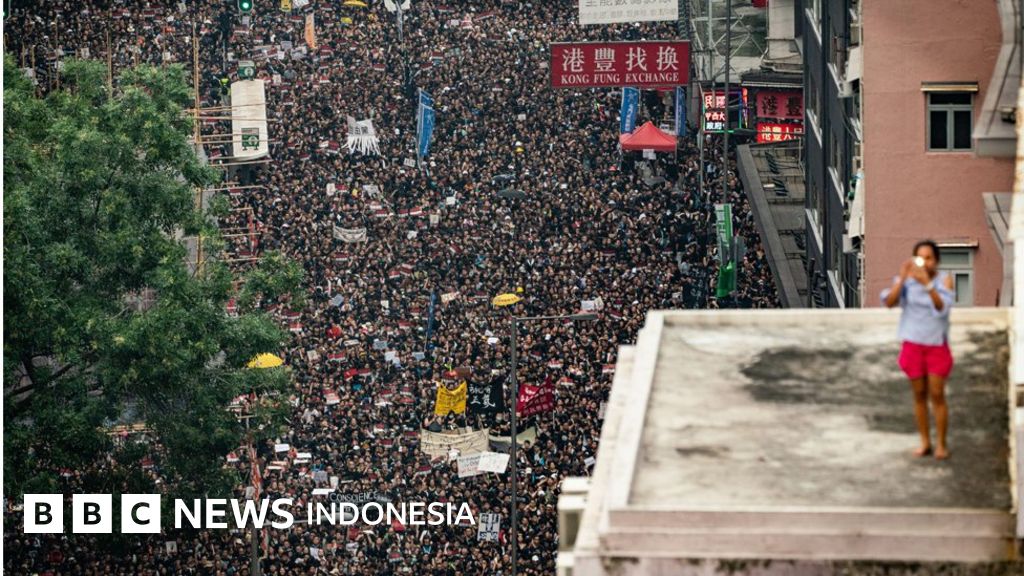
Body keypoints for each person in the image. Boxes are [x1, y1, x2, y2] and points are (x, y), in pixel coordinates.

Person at [881, 240, 955, 460]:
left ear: (937, 260)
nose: (925, 262)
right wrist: (903, 278)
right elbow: (890, 302)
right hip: (913, 343)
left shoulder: (944, 280)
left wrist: (928, 285)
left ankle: (941, 444)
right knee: (919, 394)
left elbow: (942, 308)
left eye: (929, 258)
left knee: (937, 394)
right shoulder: (908, 281)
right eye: (920, 258)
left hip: (936, 343)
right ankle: (925, 442)